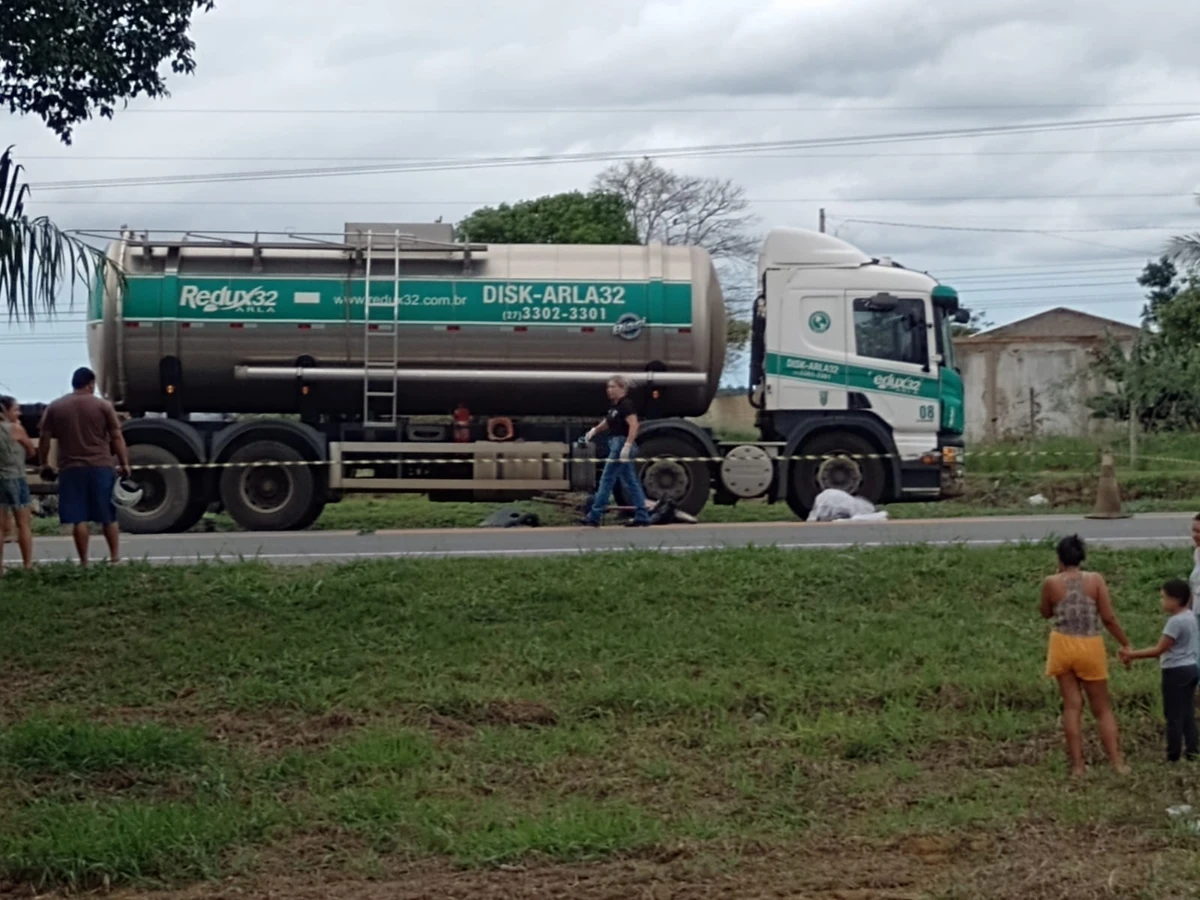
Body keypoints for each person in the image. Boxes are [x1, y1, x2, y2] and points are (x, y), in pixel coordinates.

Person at [1040, 534, 1131, 777]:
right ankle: (1117, 763)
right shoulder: (1095, 580)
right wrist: (1125, 643)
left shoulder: (1051, 582)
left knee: (1072, 706)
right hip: (1090, 645)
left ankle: (1078, 767)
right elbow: (1108, 618)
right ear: (1082, 557)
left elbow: (1045, 612)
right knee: (1102, 708)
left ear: (1059, 558)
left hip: (1062, 645)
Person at [37, 367, 130, 567]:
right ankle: (114, 558)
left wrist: (43, 463)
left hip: (70, 468)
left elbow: (44, 438)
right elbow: (116, 436)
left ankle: (84, 561)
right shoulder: (103, 406)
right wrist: (124, 463)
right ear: (90, 384)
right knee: (108, 515)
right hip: (101, 466)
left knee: (79, 518)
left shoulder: (55, 407)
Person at [1119, 580, 1200, 763]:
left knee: (1173, 715)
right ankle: (1193, 752)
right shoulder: (1190, 617)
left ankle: (1173, 755)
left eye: (1163, 598)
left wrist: (1132, 655)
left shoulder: (1175, 622)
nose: (1161, 602)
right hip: (1191, 668)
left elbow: (1158, 650)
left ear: (1175, 599)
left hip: (1175, 671)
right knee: (1187, 713)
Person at [580, 376, 651, 528]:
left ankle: (595, 516)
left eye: (613, 387)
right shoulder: (616, 407)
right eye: (608, 387)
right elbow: (608, 422)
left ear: (622, 389)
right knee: (630, 481)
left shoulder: (626, 405)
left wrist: (627, 445)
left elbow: (634, 425)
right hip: (616, 443)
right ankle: (642, 515)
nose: (609, 390)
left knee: (607, 479)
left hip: (620, 444)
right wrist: (594, 431)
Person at [0, 395, 36, 574]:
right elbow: (30, 450)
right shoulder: (15, 429)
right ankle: (27, 564)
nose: (18, 413)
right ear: (4, 411)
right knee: (23, 523)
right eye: (15, 409)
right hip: (16, 477)